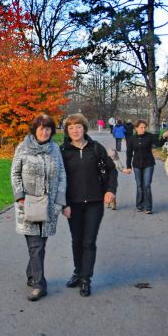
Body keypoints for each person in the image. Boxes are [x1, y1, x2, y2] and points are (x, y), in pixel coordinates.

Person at [60, 114, 118, 297]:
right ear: (67, 131)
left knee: (89, 241)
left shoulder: (96, 149)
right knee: (76, 240)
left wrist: (110, 190)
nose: (75, 131)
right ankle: (78, 272)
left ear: (84, 128)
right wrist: (64, 203)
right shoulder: (63, 152)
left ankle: (86, 279)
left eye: (78, 127)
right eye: (71, 128)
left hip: (94, 203)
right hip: (73, 205)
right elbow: (59, 181)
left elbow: (111, 170)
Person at [11, 114, 67, 301]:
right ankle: (39, 284)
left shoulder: (55, 150)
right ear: (34, 130)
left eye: (48, 128)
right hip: (28, 204)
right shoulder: (23, 148)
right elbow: (15, 173)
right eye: (41, 128)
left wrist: (60, 200)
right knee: (35, 245)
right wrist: (20, 196)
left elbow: (62, 175)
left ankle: (31, 274)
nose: (45, 132)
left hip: (49, 205)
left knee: (41, 244)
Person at [126, 120, 168, 214]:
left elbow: (158, 144)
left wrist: (163, 137)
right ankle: (139, 205)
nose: (143, 129)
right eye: (141, 127)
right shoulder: (131, 138)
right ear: (136, 128)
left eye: (144, 127)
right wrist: (128, 166)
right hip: (137, 164)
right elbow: (129, 153)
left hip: (148, 163)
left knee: (146, 185)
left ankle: (148, 207)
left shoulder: (149, 136)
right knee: (139, 186)